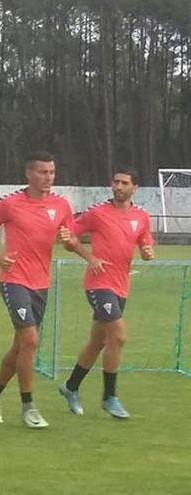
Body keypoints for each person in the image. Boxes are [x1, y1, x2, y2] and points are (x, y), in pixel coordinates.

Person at [0, 151, 93, 429]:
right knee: (30, 340)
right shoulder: (10, 204)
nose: (48, 178)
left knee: (21, 346)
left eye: (52, 172)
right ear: (28, 174)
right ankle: (29, 406)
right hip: (13, 279)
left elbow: (70, 239)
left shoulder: (61, 205)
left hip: (41, 283)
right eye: (43, 172)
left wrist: (72, 243)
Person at [57, 170, 155, 419]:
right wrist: (90, 257)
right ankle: (109, 397)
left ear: (135, 187)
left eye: (124, 183)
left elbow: (145, 244)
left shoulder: (141, 217)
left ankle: (71, 387)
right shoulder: (98, 213)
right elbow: (70, 237)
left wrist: (147, 252)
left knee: (98, 342)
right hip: (99, 285)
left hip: (121, 287)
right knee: (119, 336)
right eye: (116, 182)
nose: (118, 186)